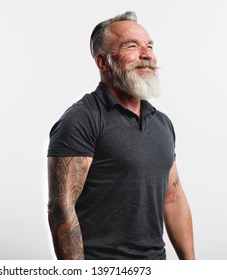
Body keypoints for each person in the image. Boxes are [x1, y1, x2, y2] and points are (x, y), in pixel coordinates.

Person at [47, 11, 195, 260]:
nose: (147, 54)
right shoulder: (82, 119)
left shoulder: (161, 123)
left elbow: (173, 198)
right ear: (102, 62)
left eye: (149, 46)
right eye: (132, 46)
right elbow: (61, 207)